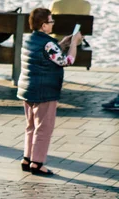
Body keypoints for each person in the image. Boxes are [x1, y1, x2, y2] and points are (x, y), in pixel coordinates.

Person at [17, 8, 82, 176]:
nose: (53, 24)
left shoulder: (29, 39)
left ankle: (27, 158)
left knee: (30, 126)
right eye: (51, 21)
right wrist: (74, 43)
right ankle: (37, 164)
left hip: (28, 89)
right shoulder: (48, 44)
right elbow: (67, 61)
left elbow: (46, 55)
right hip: (44, 91)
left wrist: (62, 44)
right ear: (44, 25)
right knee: (44, 128)